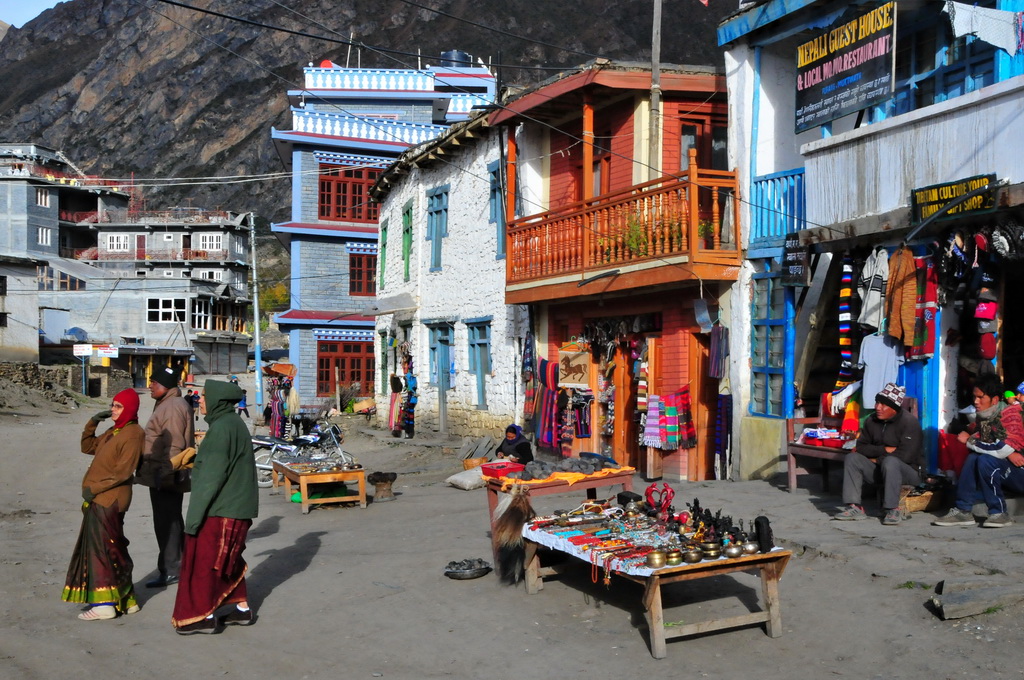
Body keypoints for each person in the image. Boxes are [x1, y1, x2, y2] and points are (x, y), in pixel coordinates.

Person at [172, 380, 259, 634]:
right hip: (234, 506)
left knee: (205, 562)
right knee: (226, 560)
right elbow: (218, 465)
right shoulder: (232, 423)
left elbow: (210, 479)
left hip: (222, 509)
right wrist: (198, 460)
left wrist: (194, 520)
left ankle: (201, 616)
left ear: (218, 401)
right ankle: (239, 608)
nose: (199, 399)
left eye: (204, 396)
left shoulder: (222, 428)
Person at [62, 389, 145, 621]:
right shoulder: (114, 431)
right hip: (99, 498)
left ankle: (105, 604)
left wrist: (93, 490)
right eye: (112, 405)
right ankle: (126, 601)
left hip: (110, 499)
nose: (113, 410)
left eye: (118, 406)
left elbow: (122, 473)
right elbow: (88, 447)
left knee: (103, 551)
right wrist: (92, 423)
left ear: (129, 408)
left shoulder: (133, 434)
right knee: (113, 549)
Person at [933, 375, 1024, 528]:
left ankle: (999, 513)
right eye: (974, 397)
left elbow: (1002, 449)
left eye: (980, 397)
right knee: (975, 457)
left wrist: (970, 441)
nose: (976, 402)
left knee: (984, 460)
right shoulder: (986, 416)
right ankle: (963, 510)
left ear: (994, 400)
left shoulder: (1011, 415)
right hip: (1007, 469)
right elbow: (985, 440)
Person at [833, 382, 923, 525]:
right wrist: (884, 450)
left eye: (883, 405)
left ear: (894, 408)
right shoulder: (871, 420)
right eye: (877, 403)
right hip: (881, 470)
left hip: (908, 473)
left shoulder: (909, 423)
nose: (877, 408)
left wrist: (877, 459)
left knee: (891, 462)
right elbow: (861, 447)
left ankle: (892, 509)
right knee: (852, 458)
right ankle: (854, 507)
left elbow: (906, 456)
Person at [136, 366, 194, 588]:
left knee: (166, 523)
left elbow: (174, 445)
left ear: (166, 386)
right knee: (170, 521)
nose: (150, 386)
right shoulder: (168, 404)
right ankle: (176, 565)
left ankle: (171, 569)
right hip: (163, 473)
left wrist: (166, 475)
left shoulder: (171, 407)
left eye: (154, 382)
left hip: (166, 475)